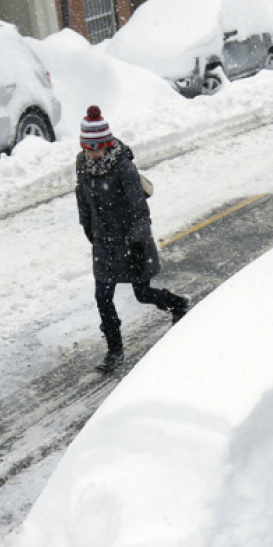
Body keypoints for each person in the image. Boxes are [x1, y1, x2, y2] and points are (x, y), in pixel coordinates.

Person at [75, 105, 190, 372]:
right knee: (102, 297)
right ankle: (115, 351)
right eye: (87, 149)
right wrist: (89, 229)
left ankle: (178, 303)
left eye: (96, 149)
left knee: (143, 294)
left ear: (105, 144)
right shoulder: (82, 165)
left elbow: (139, 208)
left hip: (131, 243)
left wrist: (137, 240)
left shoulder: (123, 168)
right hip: (104, 244)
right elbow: (82, 199)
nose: (92, 155)